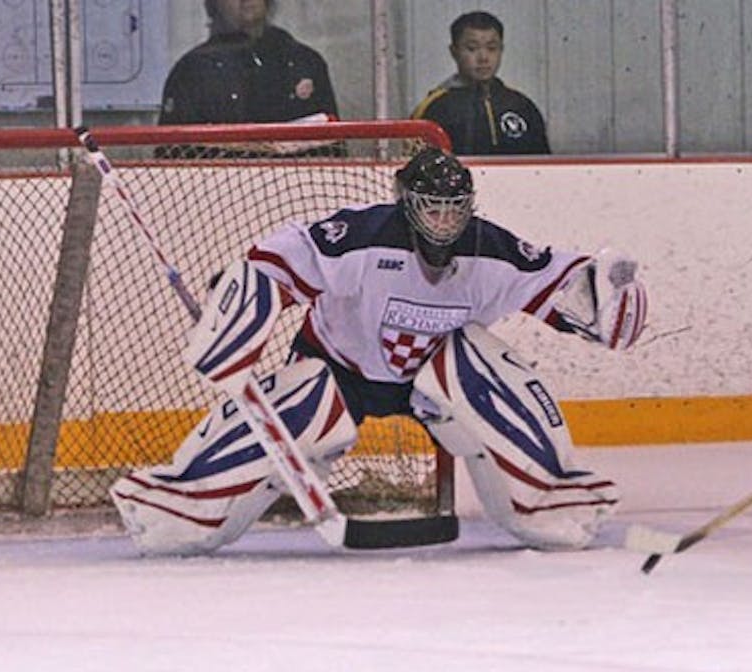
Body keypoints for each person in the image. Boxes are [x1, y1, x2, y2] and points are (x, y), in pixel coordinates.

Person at [108, 147, 647, 556]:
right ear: (407, 203)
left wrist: (605, 294)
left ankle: (548, 500)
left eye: (454, 209)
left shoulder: (492, 250)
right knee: (303, 404)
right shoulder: (361, 235)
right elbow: (282, 258)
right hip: (342, 369)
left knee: (481, 368)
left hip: (434, 380)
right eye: (431, 209)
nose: (444, 222)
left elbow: (559, 279)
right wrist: (245, 301)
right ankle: (184, 506)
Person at [157, 0, 340, 156]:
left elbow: (333, 150)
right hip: (218, 190)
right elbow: (172, 156)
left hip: (300, 189)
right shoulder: (192, 70)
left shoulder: (304, 62)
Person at [411, 11, 550, 155]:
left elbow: (545, 167)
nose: (483, 58)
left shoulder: (521, 106)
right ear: (454, 52)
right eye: (472, 48)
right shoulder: (435, 108)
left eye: (492, 48)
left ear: (501, 50)